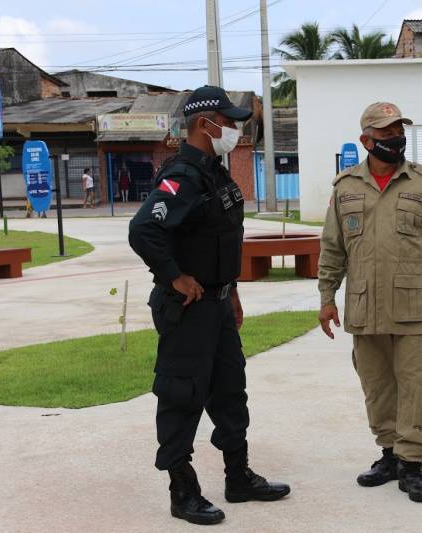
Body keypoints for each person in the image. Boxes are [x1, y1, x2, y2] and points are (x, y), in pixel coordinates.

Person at [128, 85, 289, 526]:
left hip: (217, 305)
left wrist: (232, 291)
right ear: (206, 124)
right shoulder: (182, 174)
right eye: (230, 121)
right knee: (182, 395)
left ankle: (238, 477)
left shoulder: (214, 172)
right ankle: (183, 490)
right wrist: (174, 276)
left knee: (230, 391)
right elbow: (144, 230)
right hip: (188, 309)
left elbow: (219, 240)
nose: (235, 129)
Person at [318, 102, 422, 503]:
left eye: (399, 132)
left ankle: (413, 464)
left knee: (417, 386)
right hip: (365, 308)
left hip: (416, 308)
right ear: (366, 140)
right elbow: (333, 249)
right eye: (386, 134)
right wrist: (326, 297)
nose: (395, 140)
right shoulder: (345, 187)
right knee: (378, 387)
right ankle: (389, 455)